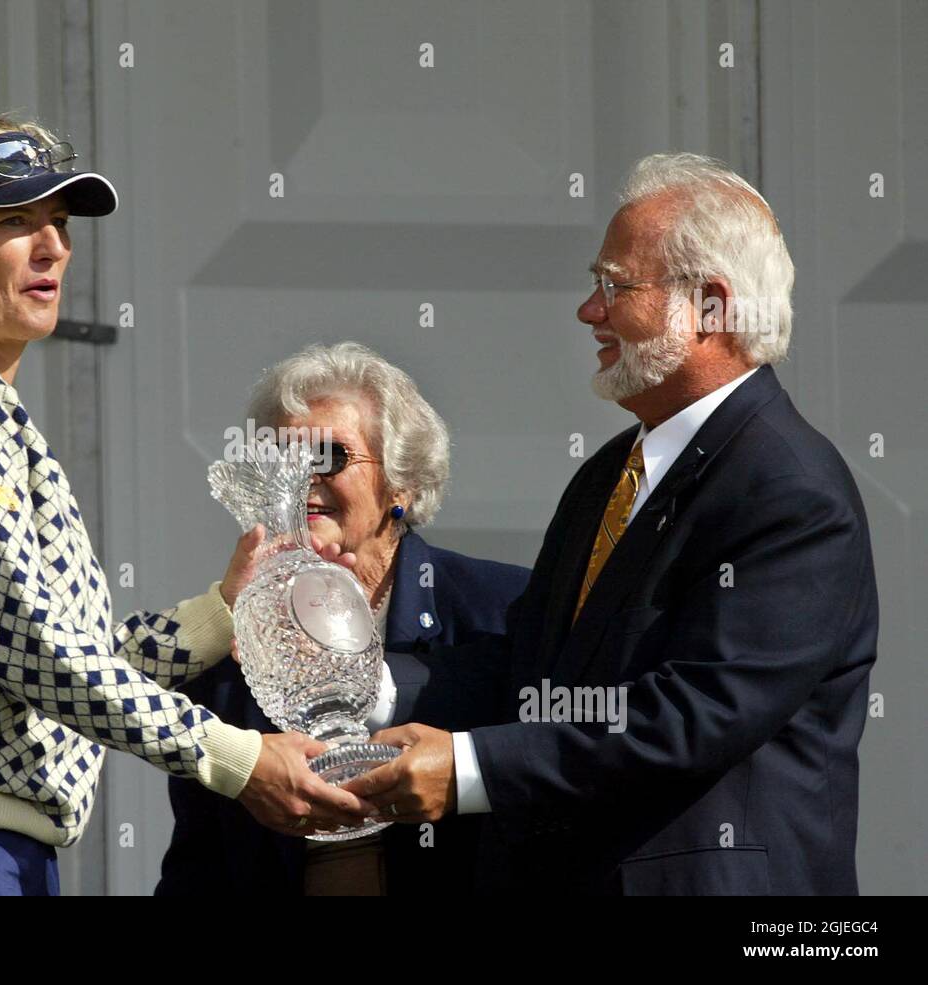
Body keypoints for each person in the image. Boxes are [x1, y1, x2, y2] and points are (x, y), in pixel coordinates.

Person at [0, 113, 371, 895]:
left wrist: (221, 611)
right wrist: (237, 759)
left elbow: (61, 662)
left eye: (59, 224)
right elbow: (37, 652)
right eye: (13, 221)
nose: (53, 247)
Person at [346, 153, 878, 895]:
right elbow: (538, 667)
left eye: (614, 286)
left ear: (712, 307)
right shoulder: (611, 471)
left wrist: (471, 768)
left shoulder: (790, 489)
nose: (589, 311)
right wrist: (364, 688)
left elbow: (692, 715)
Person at [156, 342, 530, 895]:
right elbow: (202, 861)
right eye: (282, 458)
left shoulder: (503, 608)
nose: (302, 478)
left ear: (400, 481)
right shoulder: (237, 629)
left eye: (329, 456)